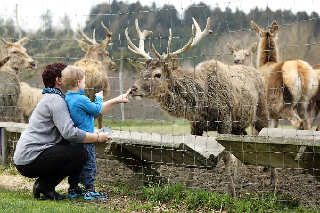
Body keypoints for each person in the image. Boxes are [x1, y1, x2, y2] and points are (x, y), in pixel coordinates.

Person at [13, 63, 113, 200]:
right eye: (66, 75)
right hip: (31, 158)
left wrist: (116, 101)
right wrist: (97, 137)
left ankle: (45, 184)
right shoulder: (56, 100)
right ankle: (45, 185)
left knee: (72, 150)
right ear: (59, 81)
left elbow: (89, 113)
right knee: (79, 154)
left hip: (30, 156)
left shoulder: (57, 98)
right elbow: (70, 133)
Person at [61, 66, 130, 200]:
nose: (85, 83)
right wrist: (99, 97)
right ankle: (90, 190)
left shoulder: (68, 98)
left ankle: (73, 188)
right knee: (89, 164)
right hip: (87, 139)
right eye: (84, 81)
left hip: (74, 141)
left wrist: (116, 100)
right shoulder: (82, 99)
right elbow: (97, 110)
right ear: (78, 83)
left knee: (75, 165)